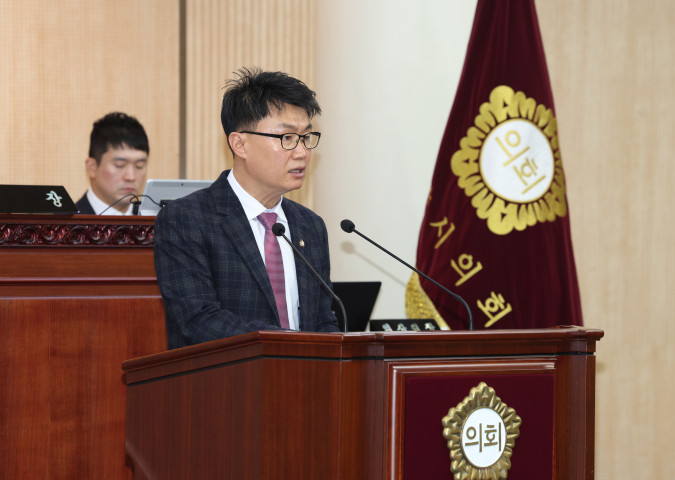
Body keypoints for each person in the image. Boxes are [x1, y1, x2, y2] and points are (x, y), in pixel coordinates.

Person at [154, 67, 340, 349]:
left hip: (303, 374)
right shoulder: (187, 219)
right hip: (227, 375)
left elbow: (323, 320)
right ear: (240, 144)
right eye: (287, 138)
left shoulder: (310, 226)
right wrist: (288, 344)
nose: (302, 152)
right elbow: (198, 320)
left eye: (306, 137)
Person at [76, 112, 149, 214]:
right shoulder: (63, 223)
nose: (131, 177)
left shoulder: (156, 220)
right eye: (120, 165)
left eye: (139, 166)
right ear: (92, 167)